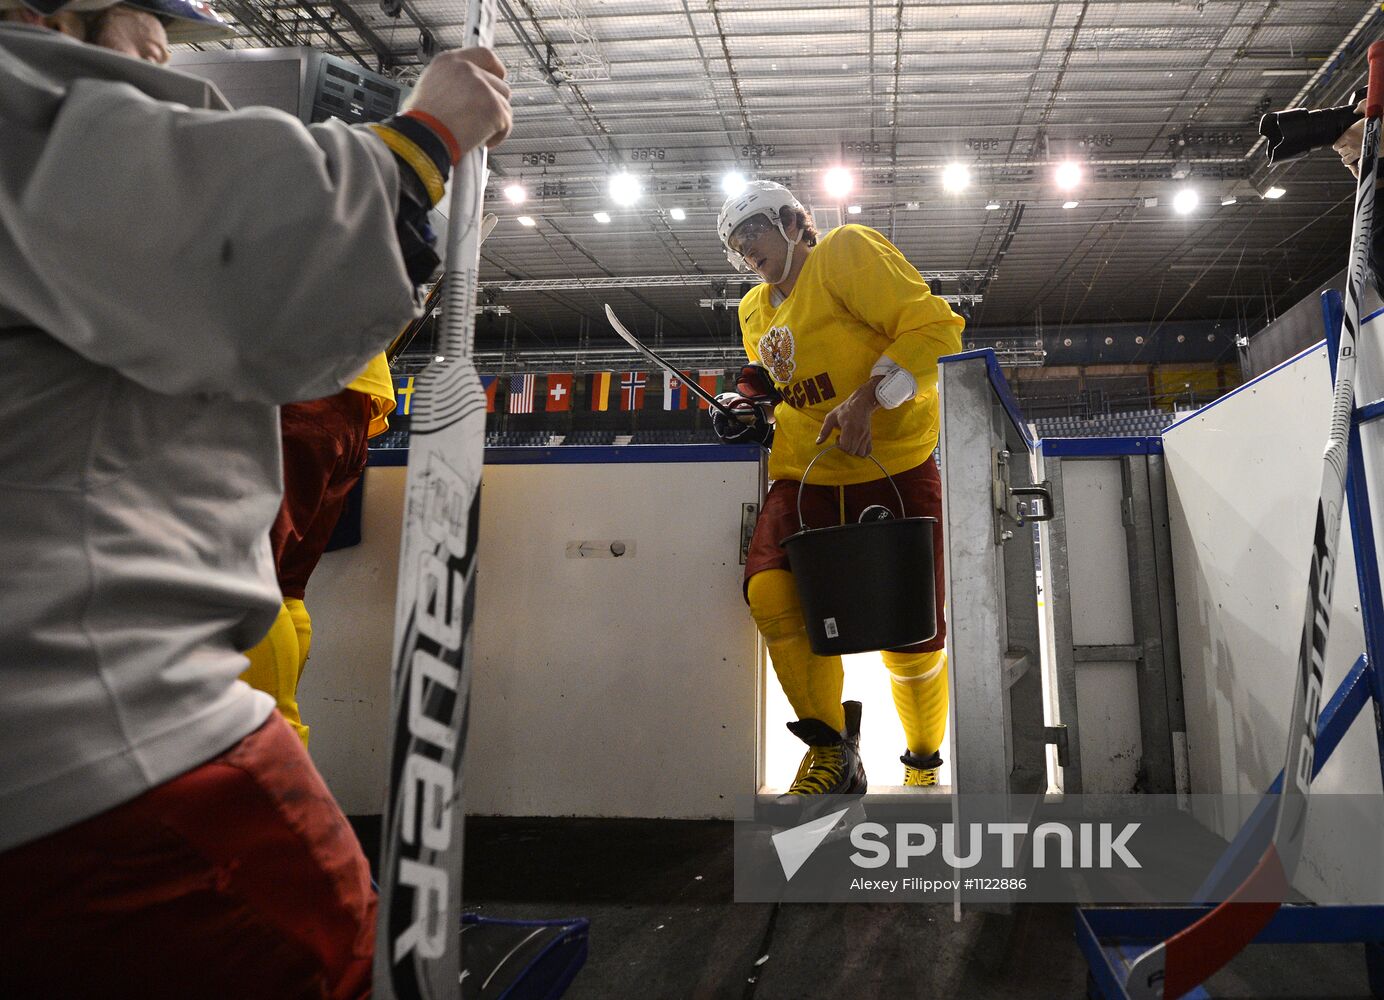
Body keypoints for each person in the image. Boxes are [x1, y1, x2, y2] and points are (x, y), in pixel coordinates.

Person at [0, 5, 510, 994]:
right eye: (141, 43)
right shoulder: (26, 98)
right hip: (106, 755)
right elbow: (267, 258)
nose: (158, 66)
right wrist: (421, 143)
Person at [712, 180, 964, 821]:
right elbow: (771, 372)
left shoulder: (846, 253)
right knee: (770, 593)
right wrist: (744, 402)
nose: (747, 252)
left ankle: (923, 753)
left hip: (894, 463)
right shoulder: (752, 307)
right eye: (737, 245)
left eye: (754, 234)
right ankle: (831, 751)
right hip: (804, 470)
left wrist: (869, 398)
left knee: (908, 630)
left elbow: (936, 329)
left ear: (795, 222)